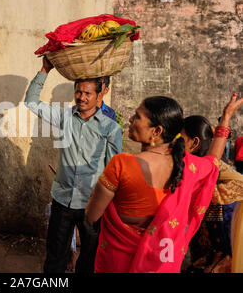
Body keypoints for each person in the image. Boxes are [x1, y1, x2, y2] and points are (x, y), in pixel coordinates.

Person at [85, 94, 243, 273]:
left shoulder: (121, 164)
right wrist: (226, 117)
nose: (130, 119)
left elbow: (92, 215)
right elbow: (213, 162)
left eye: (137, 116)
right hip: (162, 264)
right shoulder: (187, 166)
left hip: (118, 263)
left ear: (157, 131)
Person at [25, 57, 122, 273]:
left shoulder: (111, 128)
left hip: (92, 205)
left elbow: (114, 171)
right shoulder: (64, 117)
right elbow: (31, 102)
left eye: (88, 93)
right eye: (79, 92)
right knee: (55, 259)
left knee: (88, 261)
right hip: (62, 200)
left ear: (99, 95)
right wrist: (44, 70)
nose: (82, 97)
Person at [181, 115, 243, 273]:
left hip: (220, 251)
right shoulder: (189, 166)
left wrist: (211, 193)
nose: (176, 144)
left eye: (181, 139)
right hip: (201, 250)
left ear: (195, 143)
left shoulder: (217, 170)